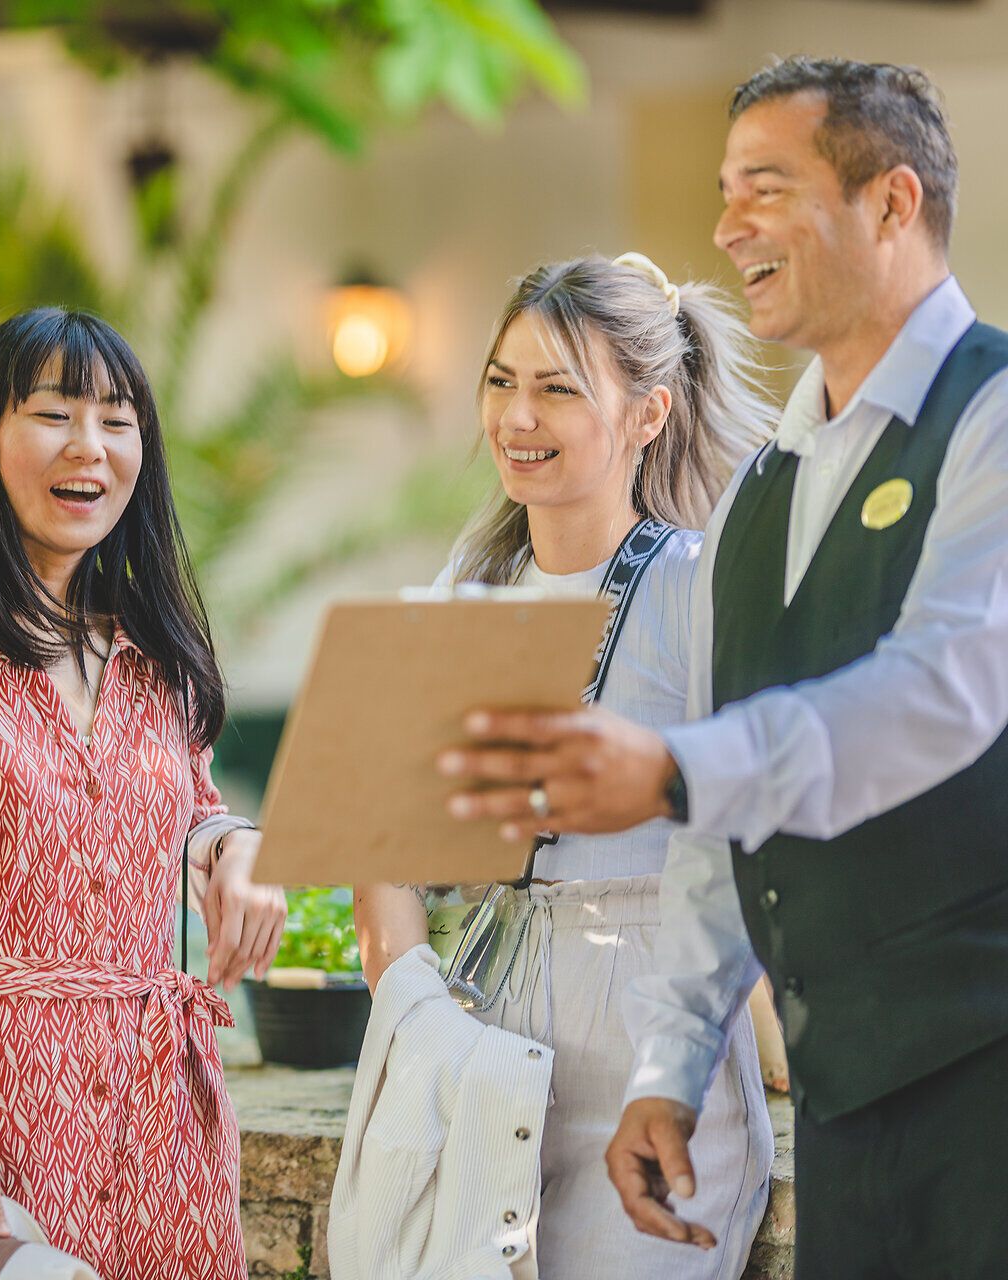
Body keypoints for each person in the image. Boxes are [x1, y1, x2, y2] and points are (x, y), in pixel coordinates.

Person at [439, 58, 1008, 1277]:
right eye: (723, 190)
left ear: (893, 205)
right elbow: (719, 829)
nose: (724, 226)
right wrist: (671, 1064)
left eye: (767, 188)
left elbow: (947, 685)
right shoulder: (763, 493)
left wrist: (669, 762)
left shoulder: (996, 418)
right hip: (851, 1094)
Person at [0, 307, 286, 1279]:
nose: (91, 446)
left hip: (159, 1128)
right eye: (54, 412)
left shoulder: (160, 661)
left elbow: (193, 803)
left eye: (119, 419)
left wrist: (235, 846)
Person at [345, 253, 774, 1279]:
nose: (516, 415)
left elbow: (759, 825)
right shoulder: (464, 592)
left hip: (658, 1051)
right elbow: (382, 842)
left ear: (649, 413)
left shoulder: (700, 588)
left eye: (556, 388)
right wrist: (417, 1011)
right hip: (483, 1036)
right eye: (500, 381)